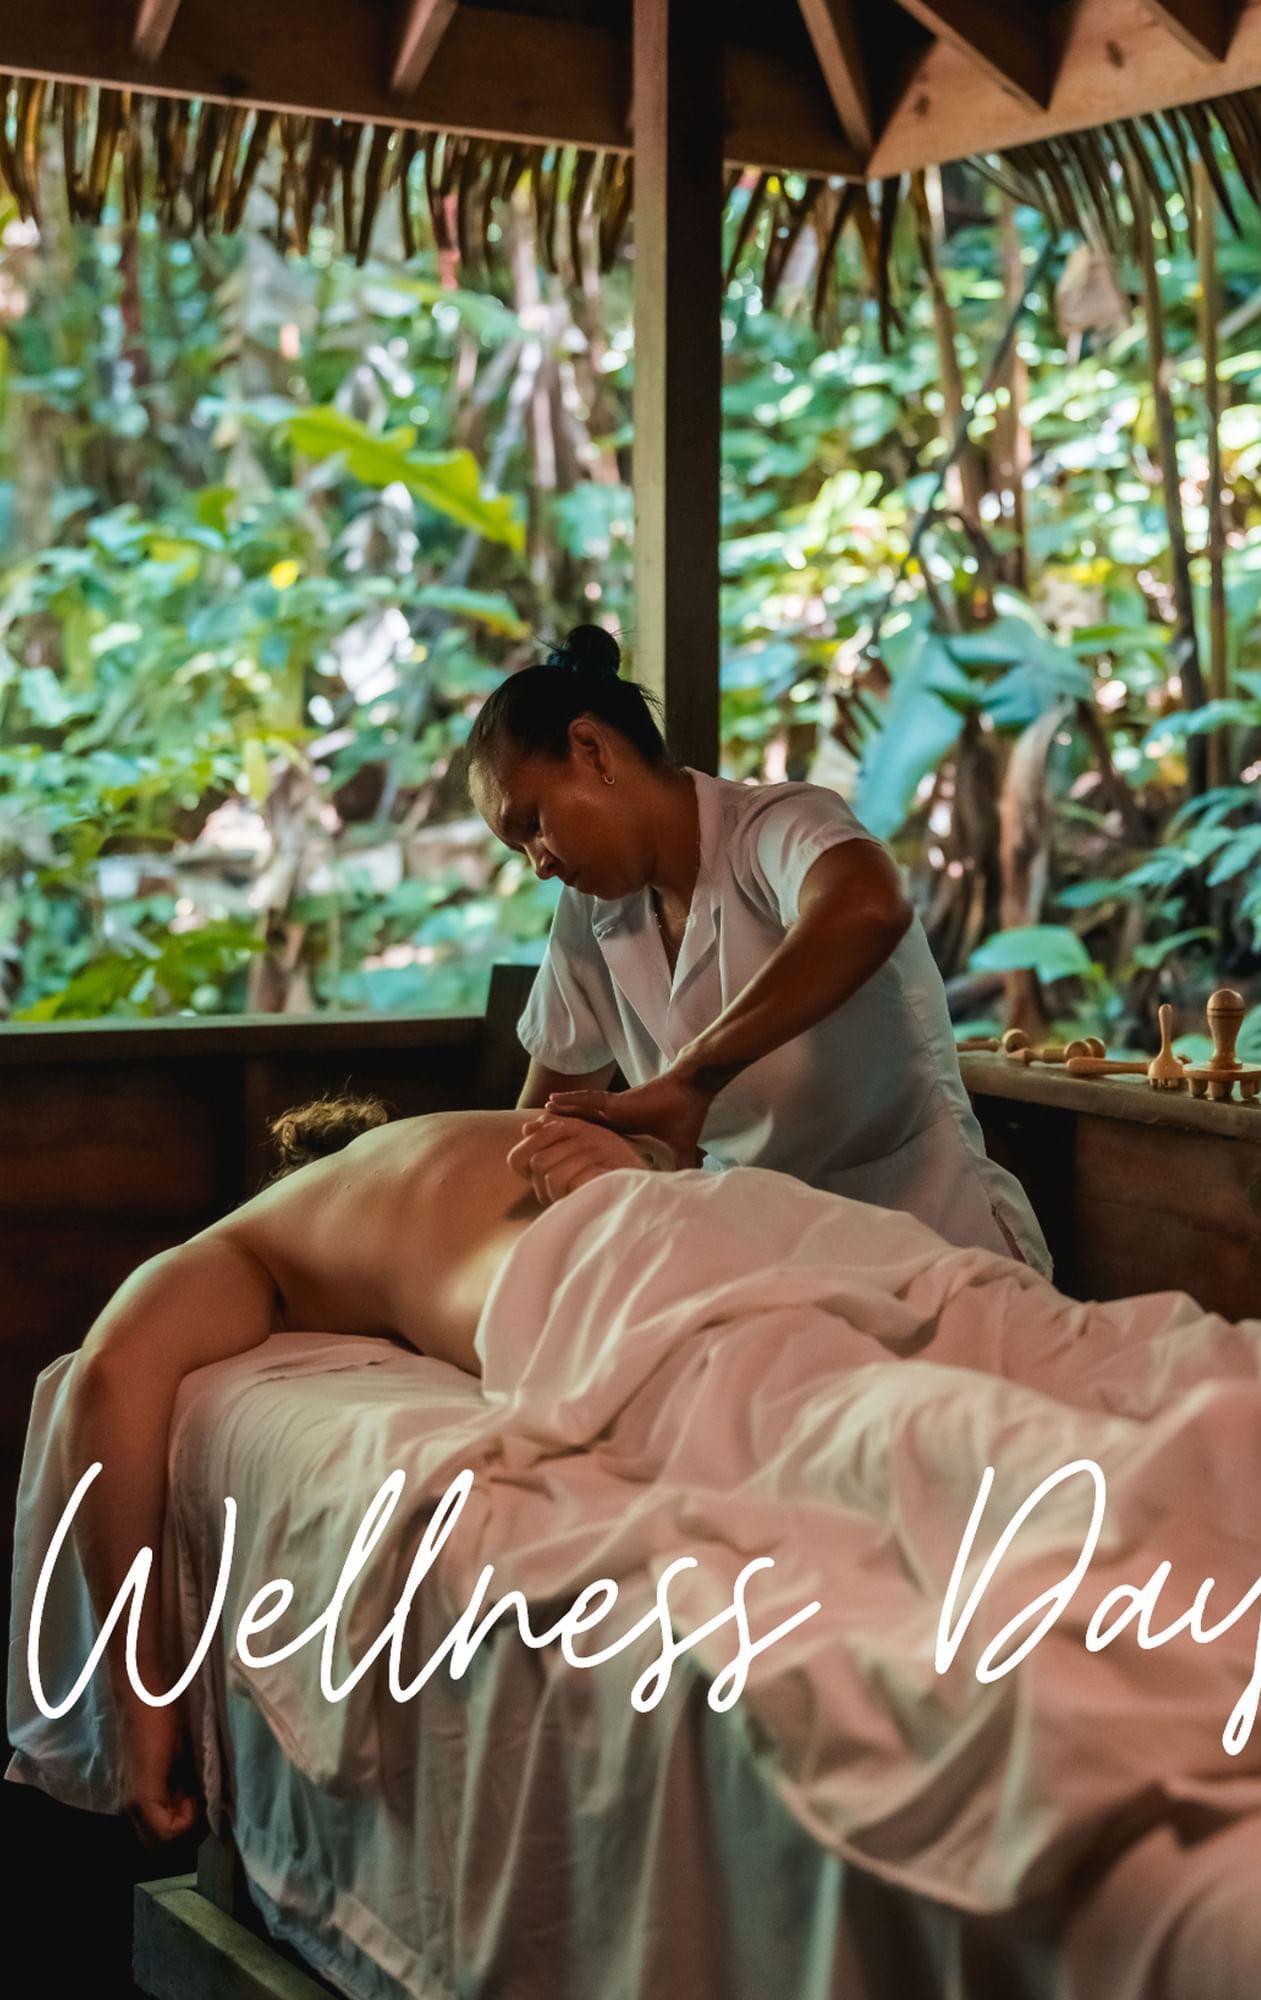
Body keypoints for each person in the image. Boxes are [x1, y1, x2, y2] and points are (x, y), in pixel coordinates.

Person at [60, 1096, 655, 1852]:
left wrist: (139, 1699)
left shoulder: (254, 1239)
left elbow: (112, 1371)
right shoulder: (473, 1132)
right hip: (707, 1205)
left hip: (587, 1280)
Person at [465, 624, 1051, 1274]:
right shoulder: (591, 912)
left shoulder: (776, 827)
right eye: (517, 851)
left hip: (932, 1237)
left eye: (533, 825)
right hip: (765, 1263)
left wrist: (692, 1079)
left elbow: (864, 907)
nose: (537, 866)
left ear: (592, 749)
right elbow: (543, 1119)